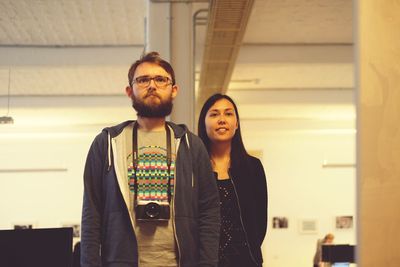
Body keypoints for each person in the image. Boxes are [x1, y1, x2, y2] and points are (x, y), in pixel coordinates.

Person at [81, 51, 220, 267]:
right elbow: (91, 214)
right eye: (143, 80)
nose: (152, 85)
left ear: (174, 90)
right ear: (130, 91)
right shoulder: (107, 143)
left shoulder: (192, 146)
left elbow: (209, 211)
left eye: (160, 79)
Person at [197, 94, 268, 267]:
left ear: (236, 124)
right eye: (214, 114)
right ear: (203, 123)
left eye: (228, 114)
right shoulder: (194, 168)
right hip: (204, 261)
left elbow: (260, 222)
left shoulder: (253, 167)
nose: (222, 119)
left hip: (246, 260)